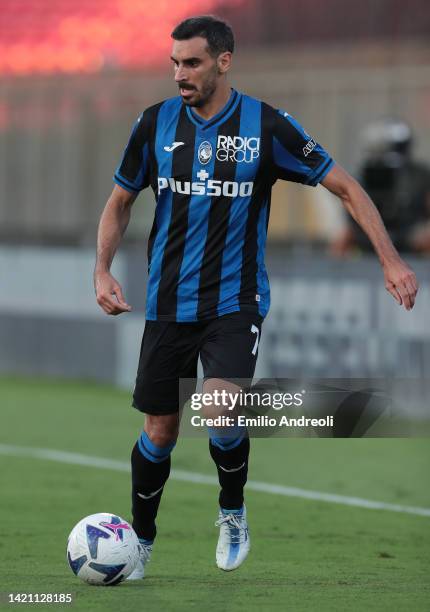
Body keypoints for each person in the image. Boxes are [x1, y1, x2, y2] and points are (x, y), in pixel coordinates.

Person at [94, 15, 418, 578]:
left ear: (224, 61)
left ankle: (232, 509)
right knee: (160, 432)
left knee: (219, 409)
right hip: (168, 303)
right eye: (174, 63)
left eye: (191, 62)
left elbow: (346, 185)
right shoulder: (154, 125)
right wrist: (101, 270)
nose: (179, 74)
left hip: (235, 302)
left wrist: (390, 260)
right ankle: (139, 541)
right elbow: (120, 200)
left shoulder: (266, 126)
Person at [331, 118, 430, 255]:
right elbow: (350, 220)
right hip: (370, 237)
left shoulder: (420, 176)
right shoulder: (362, 177)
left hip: (410, 238)